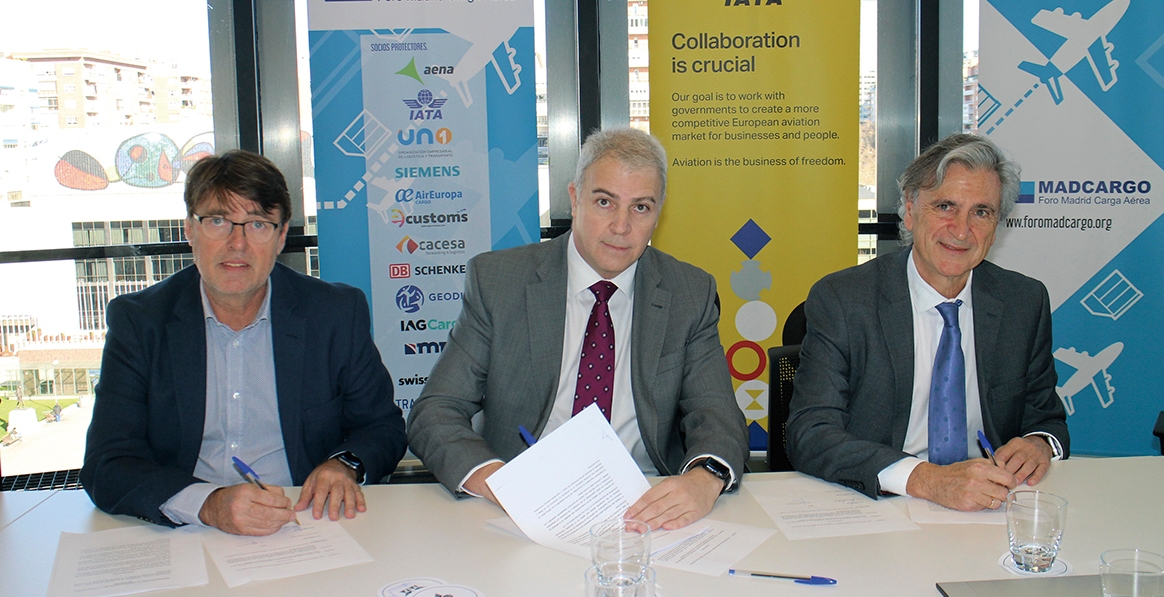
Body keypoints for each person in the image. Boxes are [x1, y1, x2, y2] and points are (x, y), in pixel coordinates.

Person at [407, 128, 748, 531]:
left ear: (659, 213)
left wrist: (704, 479)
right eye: (605, 202)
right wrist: (496, 480)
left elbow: (717, 414)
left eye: (641, 207)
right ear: (574, 198)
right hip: (520, 506)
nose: (621, 226)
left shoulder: (688, 292)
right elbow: (436, 411)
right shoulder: (499, 282)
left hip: (643, 505)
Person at [82, 150, 407, 536]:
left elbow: (382, 427)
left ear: (281, 236)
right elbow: (108, 462)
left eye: (257, 224)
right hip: (186, 530)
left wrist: (344, 465)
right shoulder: (140, 321)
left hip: (306, 522)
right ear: (190, 230)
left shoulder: (334, 313)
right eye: (218, 221)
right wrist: (208, 504)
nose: (237, 243)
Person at [785, 133, 1069, 512]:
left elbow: (1046, 418)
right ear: (910, 208)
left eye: (981, 212)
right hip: (881, 502)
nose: (961, 230)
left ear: (997, 225)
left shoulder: (1024, 301)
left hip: (990, 507)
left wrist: (1038, 443)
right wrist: (926, 480)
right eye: (945, 206)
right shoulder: (844, 300)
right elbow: (810, 433)